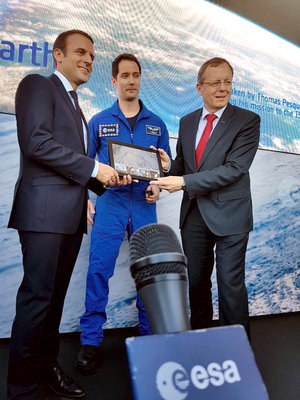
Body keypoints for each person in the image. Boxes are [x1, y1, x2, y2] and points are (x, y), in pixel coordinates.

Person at [7, 30, 132, 400]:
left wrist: (106, 180)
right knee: (36, 303)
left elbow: (72, 165)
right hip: (43, 215)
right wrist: (96, 168)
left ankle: (46, 370)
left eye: (92, 55)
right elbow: (36, 143)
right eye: (80, 52)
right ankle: (23, 389)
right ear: (57, 54)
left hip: (69, 216)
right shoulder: (37, 85)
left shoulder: (76, 105)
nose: (89, 60)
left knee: (52, 304)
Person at [150, 57, 260, 338]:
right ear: (199, 88)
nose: (223, 88)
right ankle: (201, 341)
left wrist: (184, 181)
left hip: (231, 216)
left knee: (230, 286)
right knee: (197, 285)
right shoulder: (186, 122)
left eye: (227, 82)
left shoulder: (247, 120)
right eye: (215, 83)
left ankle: (237, 349)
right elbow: (184, 165)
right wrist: (166, 166)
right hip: (194, 215)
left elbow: (235, 169)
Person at [75, 53, 171, 371]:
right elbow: (85, 166)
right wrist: (87, 199)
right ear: (114, 81)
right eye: (125, 75)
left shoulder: (157, 124)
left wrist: (157, 186)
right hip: (110, 204)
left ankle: (148, 337)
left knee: (147, 273)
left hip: (143, 204)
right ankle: (90, 341)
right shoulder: (99, 121)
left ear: (140, 79)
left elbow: (163, 168)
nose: (131, 81)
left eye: (136, 75)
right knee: (99, 271)